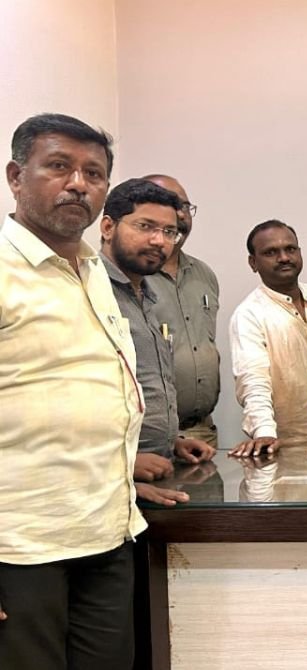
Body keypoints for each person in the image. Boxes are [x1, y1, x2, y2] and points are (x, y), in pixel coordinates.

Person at [0, 113, 186, 670]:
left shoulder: (91, 270)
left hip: (105, 532)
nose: (78, 184)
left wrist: (121, 474)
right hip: (22, 545)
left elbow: (86, 394)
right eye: (59, 166)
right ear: (16, 176)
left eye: (94, 173)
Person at [99, 178, 217, 479]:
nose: (159, 241)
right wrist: (122, 463)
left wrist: (173, 440)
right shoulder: (89, 290)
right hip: (108, 477)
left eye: (168, 232)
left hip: (158, 464)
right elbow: (69, 399)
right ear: (108, 227)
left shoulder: (144, 295)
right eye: (145, 226)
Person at [229, 220, 307, 457]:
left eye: (290, 249)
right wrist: (264, 432)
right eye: (271, 252)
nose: (284, 258)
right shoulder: (249, 314)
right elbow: (253, 379)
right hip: (287, 447)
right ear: (253, 262)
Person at [143, 174, 222, 448]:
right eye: (169, 204)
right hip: (149, 438)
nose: (179, 214)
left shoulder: (203, 274)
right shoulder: (127, 276)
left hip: (203, 433)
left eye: (185, 206)